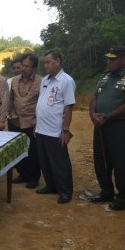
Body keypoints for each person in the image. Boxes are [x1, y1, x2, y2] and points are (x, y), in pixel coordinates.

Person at [89, 46, 125, 211]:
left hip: (120, 126)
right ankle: (107, 192)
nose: (109, 61)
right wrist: (92, 113)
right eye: (108, 58)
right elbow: (94, 96)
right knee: (101, 161)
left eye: (113, 59)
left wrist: (107, 116)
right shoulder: (104, 76)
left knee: (121, 162)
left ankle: (124, 198)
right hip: (100, 125)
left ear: (124, 59)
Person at [35, 49, 76, 204]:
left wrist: (65, 130)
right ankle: (51, 186)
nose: (45, 65)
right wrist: (36, 125)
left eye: (48, 62)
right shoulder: (45, 80)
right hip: (41, 129)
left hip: (55, 131)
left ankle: (65, 191)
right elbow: (42, 103)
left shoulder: (66, 81)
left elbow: (68, 107)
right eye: (44, 62)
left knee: (60, 163)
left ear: (57, 61)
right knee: (45, 162)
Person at [8, 53, 42, 189]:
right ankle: (22, 174)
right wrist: (9, 114)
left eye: (27, 66)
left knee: (33, 151)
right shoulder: (15, 80)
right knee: (18, 150)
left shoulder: (41, 81)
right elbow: (11, 99)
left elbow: (41, 103)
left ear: (34, 67)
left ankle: (34, 177)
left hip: (31, 122)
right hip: (15, 121)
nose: (23, 68)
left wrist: (38, 123)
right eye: (22, 65)